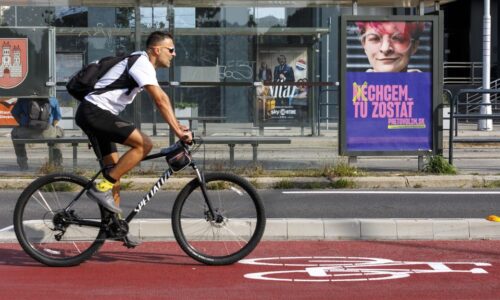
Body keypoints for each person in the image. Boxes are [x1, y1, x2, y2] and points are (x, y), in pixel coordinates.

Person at [75, 31, 192, 246]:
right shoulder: (142, 62)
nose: (174, 54)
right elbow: (160, 99)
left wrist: (178, 125)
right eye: (171, 49)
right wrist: (178, 130)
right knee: (145, 144)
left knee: (114, 173)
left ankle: (115, 226)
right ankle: (100, 189)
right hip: (94, 112)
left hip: (94, 114)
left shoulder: (140, 62)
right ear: (157, 50)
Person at [11, 97, 64, 170]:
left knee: (14, 133)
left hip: (26, 133)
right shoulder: (52, 99)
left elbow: (14, 114)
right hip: (46, 132)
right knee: (60, 132)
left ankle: (23, 164)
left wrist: (22, 124)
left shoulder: (23, 99)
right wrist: (51, 127)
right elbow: (57, 118)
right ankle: (56, 163)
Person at [356, 21, 424, 73]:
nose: (385, 48)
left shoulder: (428, 87)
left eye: (398, 38)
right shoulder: (351, 88)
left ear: (414, 46)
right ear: (364, 45)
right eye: (375, 38)